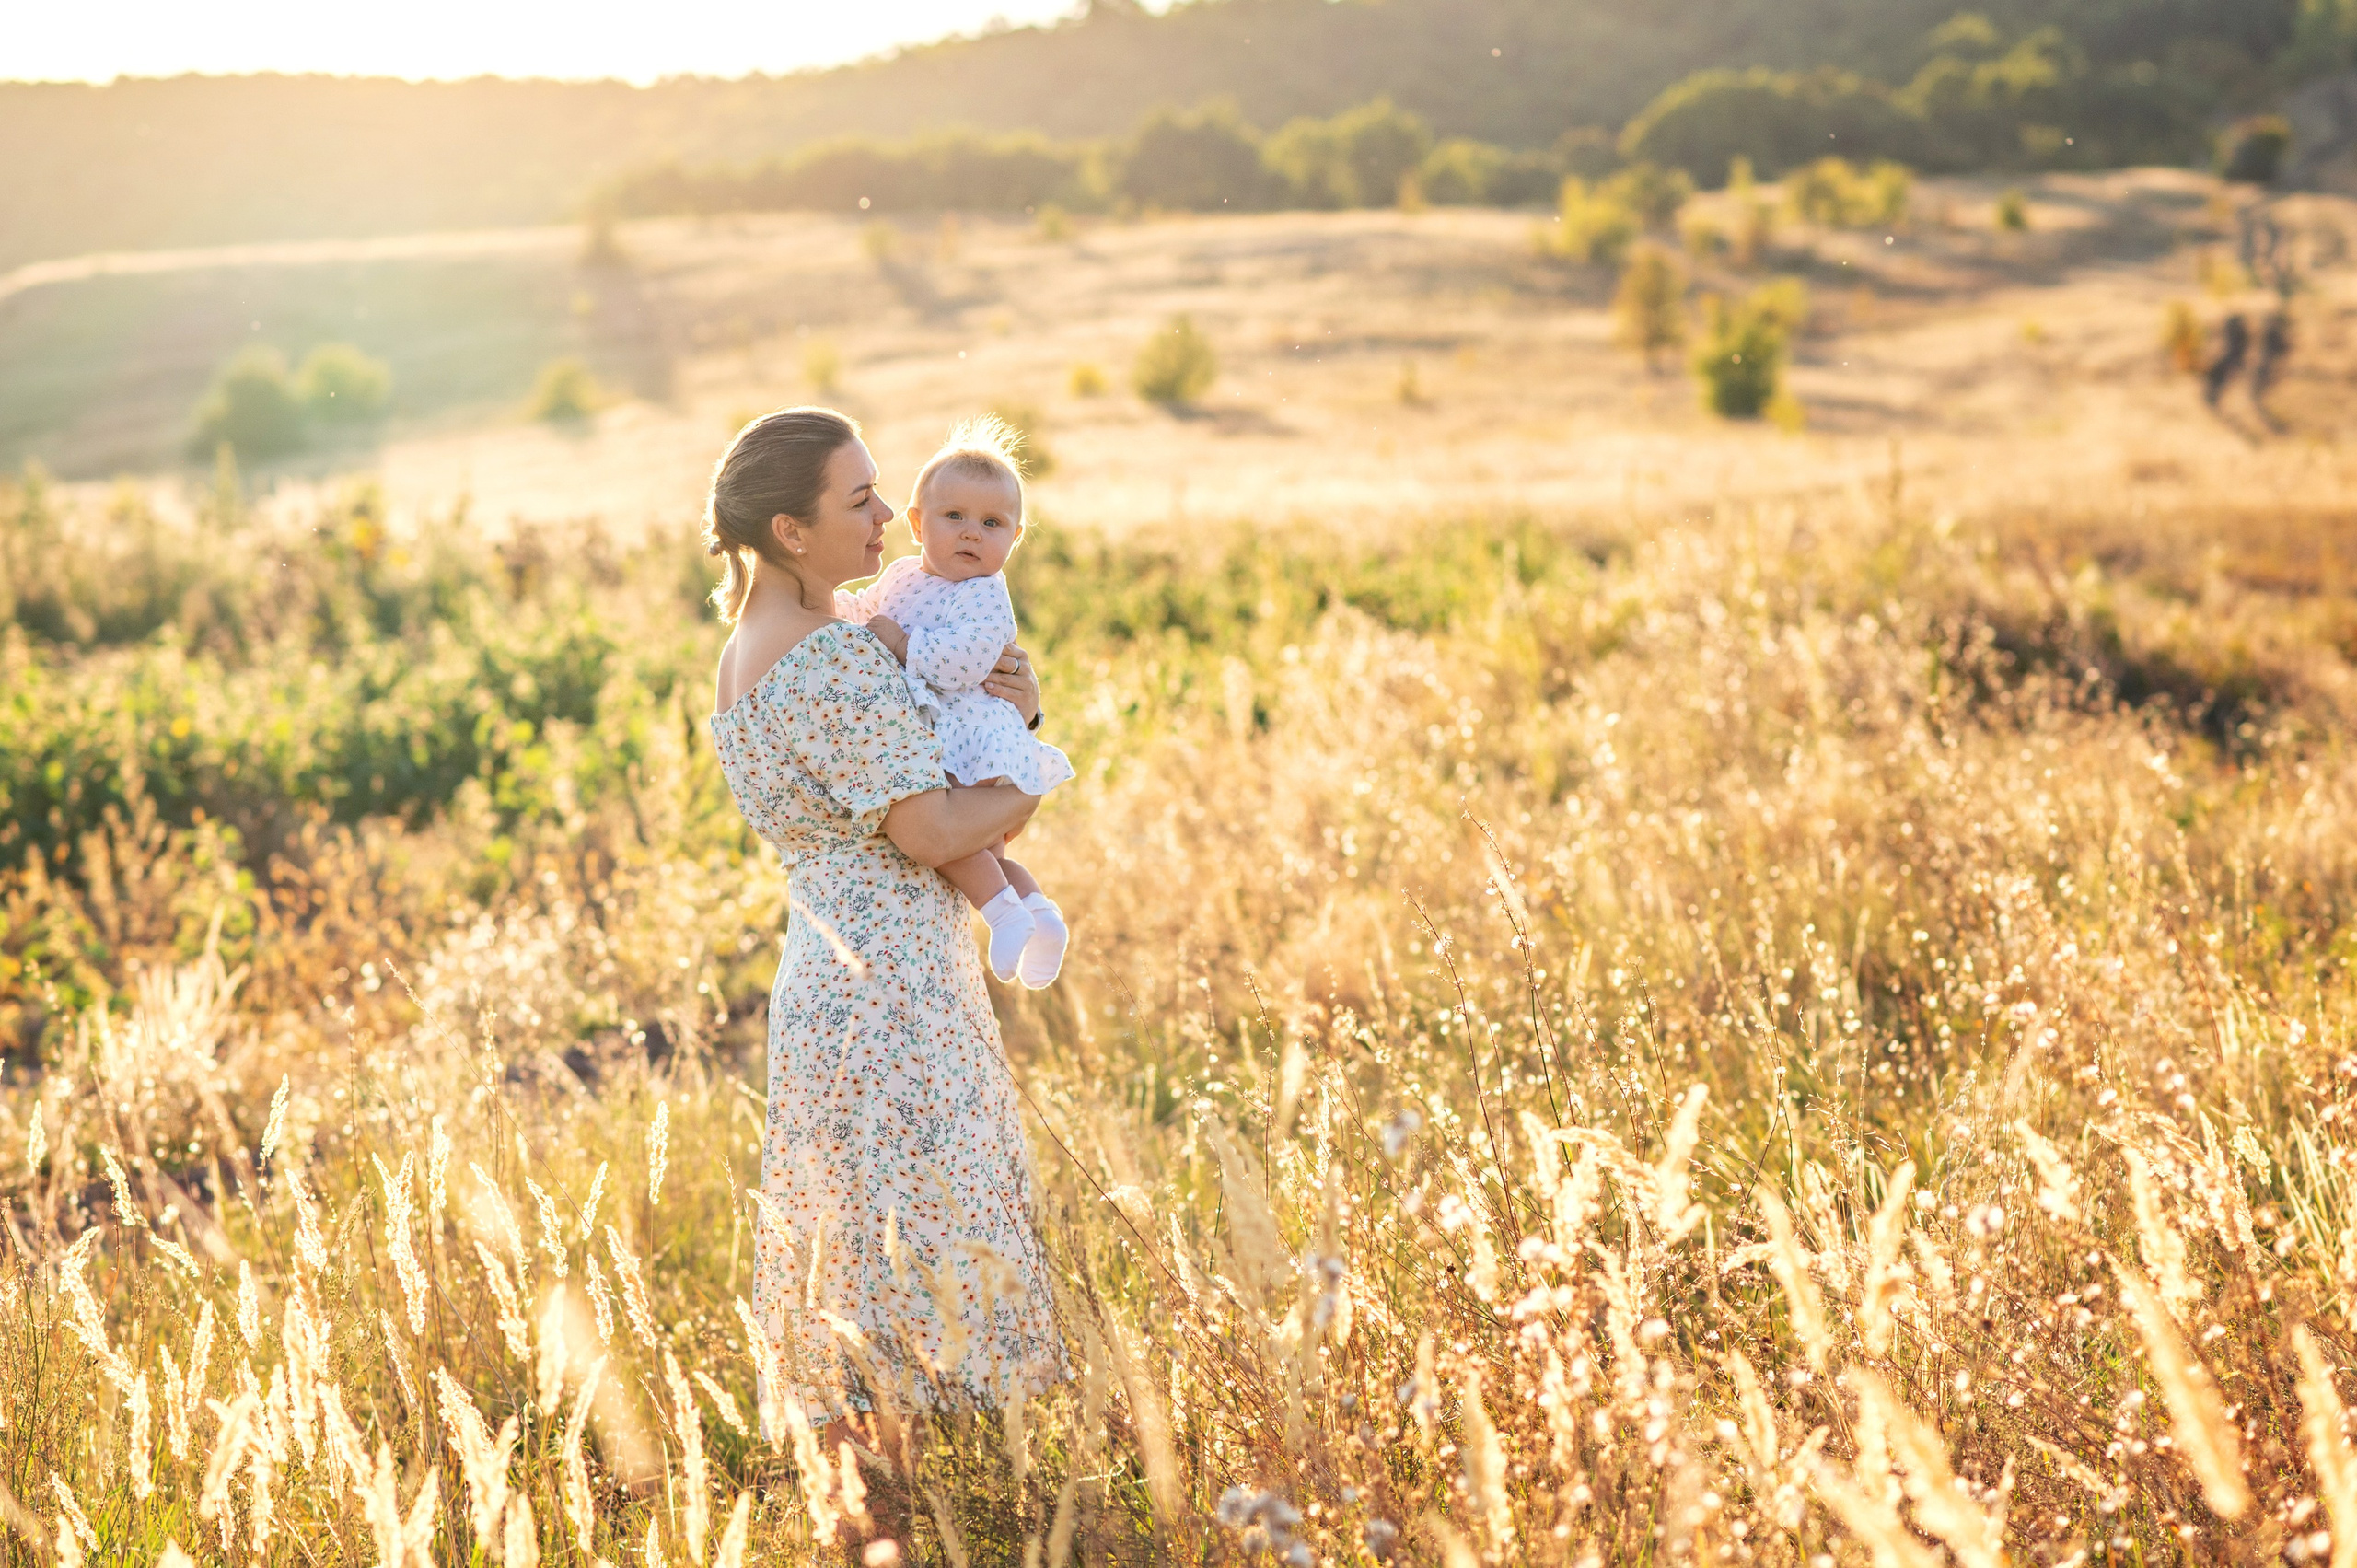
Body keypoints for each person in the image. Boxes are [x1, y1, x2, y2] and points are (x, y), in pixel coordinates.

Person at [702, 407, 1068, 1557]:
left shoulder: (768, 644)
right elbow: (928, 828)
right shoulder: (818, 657)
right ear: (789, 528)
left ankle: (870, 1523)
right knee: (877, 1255)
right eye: (858, 501)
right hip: (884, 983)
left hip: (844, 962)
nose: (884, 517)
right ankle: (873, 1530)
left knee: (863, 1246)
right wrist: (1028, 751)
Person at [843, 417, 1075, 988]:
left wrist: (901, 644)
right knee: (984, 848)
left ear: (1015, 537)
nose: (972, 533)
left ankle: (1001, 914)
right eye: (955, 518)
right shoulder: (899, 576)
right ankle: (1040, 915)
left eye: (992, 523)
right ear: (918, 525)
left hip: (969, 739)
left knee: (944, 833)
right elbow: (864, 613)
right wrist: (832, 615)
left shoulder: (985, 595)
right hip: (943, 731)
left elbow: (966, 662)